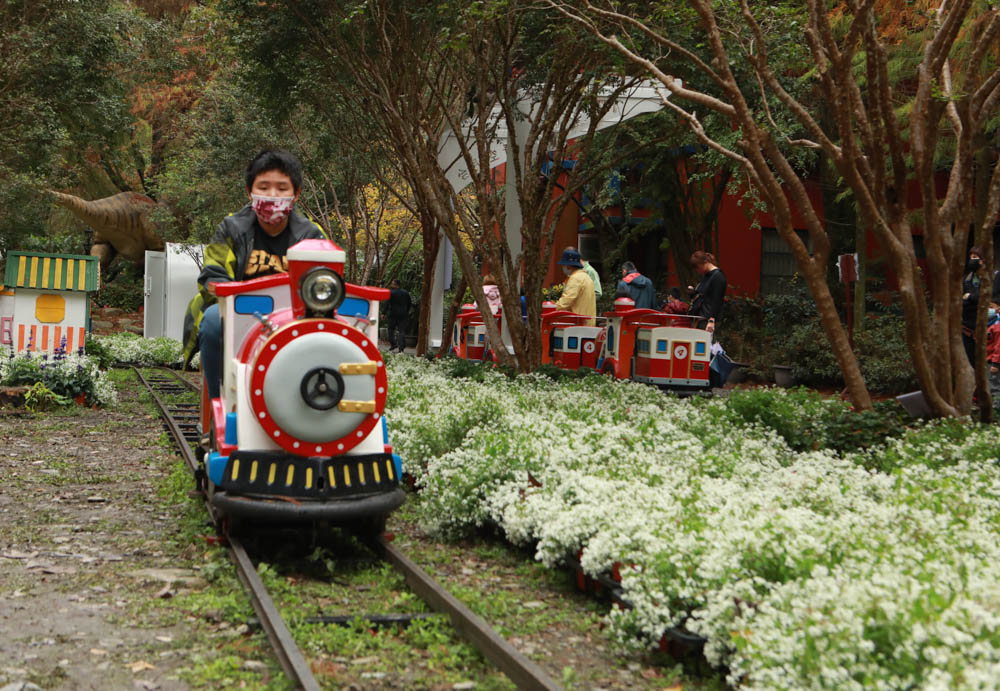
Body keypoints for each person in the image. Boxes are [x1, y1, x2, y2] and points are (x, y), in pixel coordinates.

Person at [182, 149, 325, 399]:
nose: (272, 196)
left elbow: (323, 280)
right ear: (249, 192)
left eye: (282, 188)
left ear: (296, 194)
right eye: (264, 187)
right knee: (214, 320)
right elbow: (212, 275)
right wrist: (228, 294)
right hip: (240, 312)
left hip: (294, 316)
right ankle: (221, 405)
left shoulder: (312, 235)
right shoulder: (230, 228)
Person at [962, 246, 989, 366]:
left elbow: (988, 300)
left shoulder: (991, 279)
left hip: (987, 327)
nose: (971, 260)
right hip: (967, 327)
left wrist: (970, 297)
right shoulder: (967, 279)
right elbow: (962, 300)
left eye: (975, 257)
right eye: (970, 257)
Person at [555, 248, 596, 324]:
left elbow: (566, 301)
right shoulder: (586, 277)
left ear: (568, 266)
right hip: (588, 323)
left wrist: (551, 308)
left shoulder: (575, 279)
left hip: (577, 324)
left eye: (563, 265)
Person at [688, 250, 727, 331]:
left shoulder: (718, 276)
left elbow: (717, 300)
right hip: (702, 318)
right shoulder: (706, 275)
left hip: (709, 321)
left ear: (705, 262)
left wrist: (712, 320)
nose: (698, 271)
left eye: (698, 267)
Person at [386, 279, 411, 353]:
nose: (391, 285)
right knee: (401, 331)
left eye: (392, 284)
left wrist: (384, 313)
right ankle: (401, 348)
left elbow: (387, 303)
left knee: (391, 329)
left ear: (396, 285)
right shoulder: (406, 293)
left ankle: (393, 344)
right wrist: (406, 311)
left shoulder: (391, 293)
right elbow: (409, 303)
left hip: (393, 314)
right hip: (403, 314)